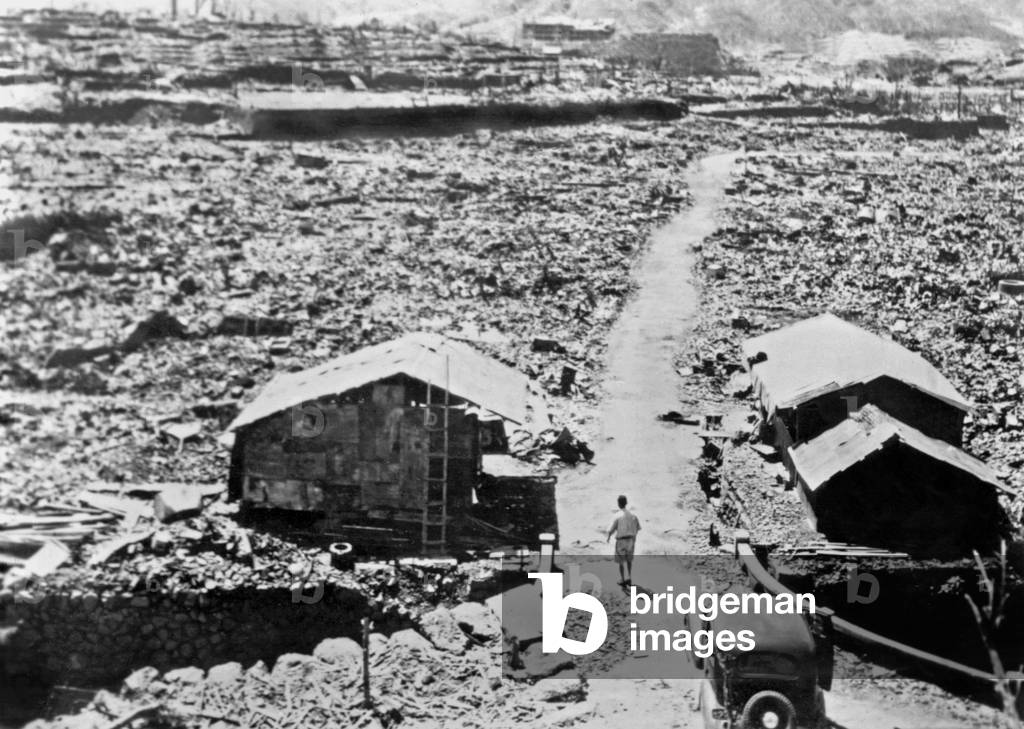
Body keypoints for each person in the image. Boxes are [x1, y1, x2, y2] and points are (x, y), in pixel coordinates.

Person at [606, 494, 640, 587]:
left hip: (621, 541)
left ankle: (622, 579)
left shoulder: (617, 515)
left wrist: (608, 537)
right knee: (629, 560)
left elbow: (611, 529)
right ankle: (629, 578)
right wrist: (634, 538)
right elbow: (637, 528)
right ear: (626, 503)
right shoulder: (633, 515)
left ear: (618, 504)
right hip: (630, 540)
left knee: (621, 562)